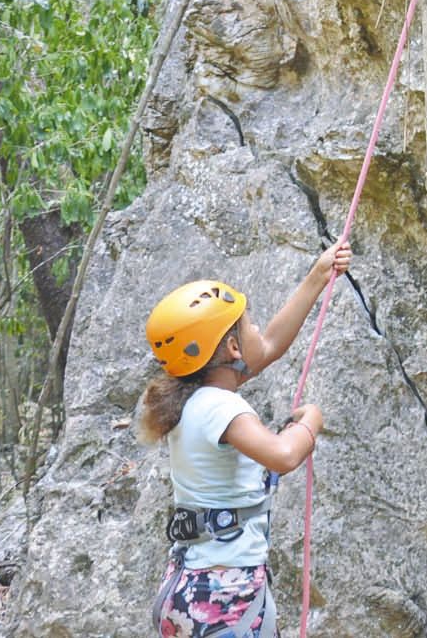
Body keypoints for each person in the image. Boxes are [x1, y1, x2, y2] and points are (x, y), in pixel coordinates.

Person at [138, 240, 352, 638]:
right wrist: (311, 422)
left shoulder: (193, 400)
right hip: (223, 593)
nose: (258, 330)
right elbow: (284, 456)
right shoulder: (222, 408)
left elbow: (269, 346)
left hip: (192, 586)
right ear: (233, 348)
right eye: (249, 325)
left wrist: (318, 276)